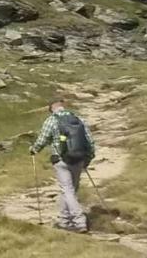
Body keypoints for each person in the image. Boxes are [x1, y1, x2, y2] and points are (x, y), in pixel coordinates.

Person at [30, 99, 96, 233]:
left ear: (51, 109)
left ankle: (79, 222)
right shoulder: (78, 119)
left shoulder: (51, 120)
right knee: (71, 191)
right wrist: (88, 159)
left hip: (61, 161)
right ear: (63, 107)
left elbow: (42, 139)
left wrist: (33, 149)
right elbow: (90, 141)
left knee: (67, 191)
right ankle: (64, 221)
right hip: (78, 160)